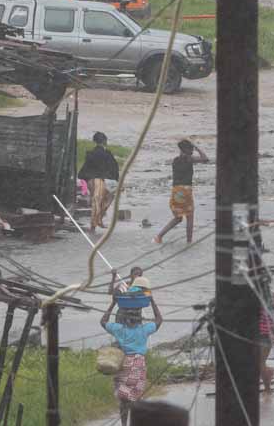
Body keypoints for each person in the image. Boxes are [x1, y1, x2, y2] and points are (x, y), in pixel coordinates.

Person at [102, 274, 164, 424]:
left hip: (123, 365)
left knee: (123, 400)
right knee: (136, 398)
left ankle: (124, 424)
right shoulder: (143, 330)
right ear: (139, 319)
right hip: (138, 365)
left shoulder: (119, 329)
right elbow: (159, 320)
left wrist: (112, 304)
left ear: (124, 317)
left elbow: (103, 321)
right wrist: (152, 301)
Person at [154, 138, 200, 245]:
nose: (192, 150)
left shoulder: (175, 160)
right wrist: (198, 148)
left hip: (176, 191)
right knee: (190, 216)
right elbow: (205, 158)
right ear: (186, 150)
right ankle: (189, 242)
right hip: (186, 190)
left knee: (178, 218)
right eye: (191, 149)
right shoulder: (189, 159)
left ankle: (159, 237)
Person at [79, 132, 120, 232]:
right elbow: (114, 168)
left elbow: (85, 169)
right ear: (105, 141)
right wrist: (115, 179)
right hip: (101, 181)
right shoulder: (107, 154)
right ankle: (96, 223)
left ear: (95, 141)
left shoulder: (90, 154)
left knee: (95, 201)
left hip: (91, 181)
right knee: (107, 199)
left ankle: (96, 223)